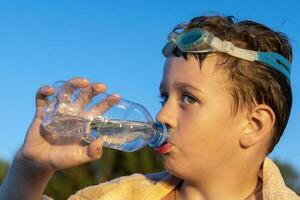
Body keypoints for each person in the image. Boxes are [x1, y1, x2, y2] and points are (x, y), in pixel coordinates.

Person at [0, 15, 299, 200]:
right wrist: (30, 170)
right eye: (163, 97)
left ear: (254, 125)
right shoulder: (114, 196)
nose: (161, 116)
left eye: (189, 99)